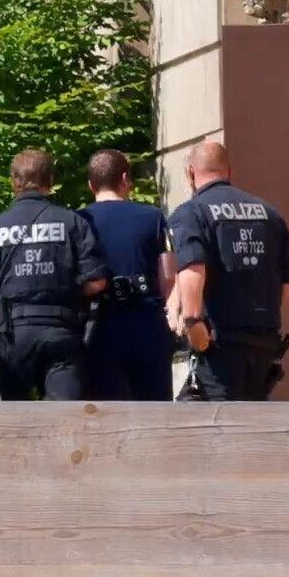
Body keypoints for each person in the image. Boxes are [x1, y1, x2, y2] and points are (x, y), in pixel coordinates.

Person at [0, 149, 109, 400]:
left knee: (13, 423)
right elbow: (97, 281)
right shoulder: (72, 222)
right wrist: (66, 292)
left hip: (12, 339)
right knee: (65, 421)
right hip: (61, 333)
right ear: (50, 181)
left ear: (14, 182)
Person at [167, 140, 289, 400]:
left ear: (190, 173)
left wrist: (193, 322)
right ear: (229, 171)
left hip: (218, 344)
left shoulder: (192, 213)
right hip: (262, 344)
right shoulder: (269, 214)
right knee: (249, 426)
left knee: (214, 428)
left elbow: (192, 266)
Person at [79, 149, 178, 400]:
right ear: (125, 179)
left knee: (105, 409)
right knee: (154, 409)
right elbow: (168, 275)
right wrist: (172, 318)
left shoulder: (78, 221)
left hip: (99, 324)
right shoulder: (152, 217)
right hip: (146, 322)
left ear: (91, 185)